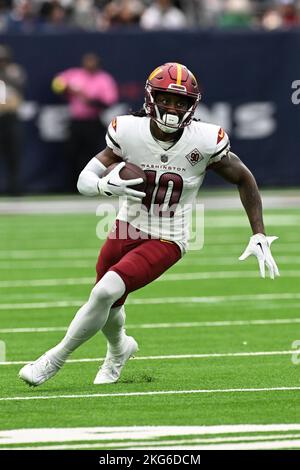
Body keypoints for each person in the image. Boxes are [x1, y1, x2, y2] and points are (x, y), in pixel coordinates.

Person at [19, 62, 279, 387]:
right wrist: (103, 187)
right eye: (166, 99)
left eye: (181, 102)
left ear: (192, 106)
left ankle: (53, 360)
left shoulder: (205, 139)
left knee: (104, 291)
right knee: (109, 303)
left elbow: (244, 178)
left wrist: (258, 232)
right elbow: (85, 179)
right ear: (150, 98)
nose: (173, 107)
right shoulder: (128, 131)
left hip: (169, 236)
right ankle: (120, 349)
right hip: (125, 226)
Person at [52, 52, 119, 191]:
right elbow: (57, 84)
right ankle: (71, 188)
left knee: (93, 156)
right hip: (76, 122)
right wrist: (66, 88)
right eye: (87, 61)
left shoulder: (104, 79)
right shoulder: (75, 74)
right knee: (71, 154)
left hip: (93, 122)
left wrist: (88, 99)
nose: (89, 64)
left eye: (92, 62)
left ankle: (93, 187)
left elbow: (108, 102)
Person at [0, 44, 26, 196]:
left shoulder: (14, 71)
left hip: (12, 118)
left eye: (4, 59)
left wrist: (4, 73)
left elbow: (19, 84)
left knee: (14, 155)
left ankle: (15, 189)